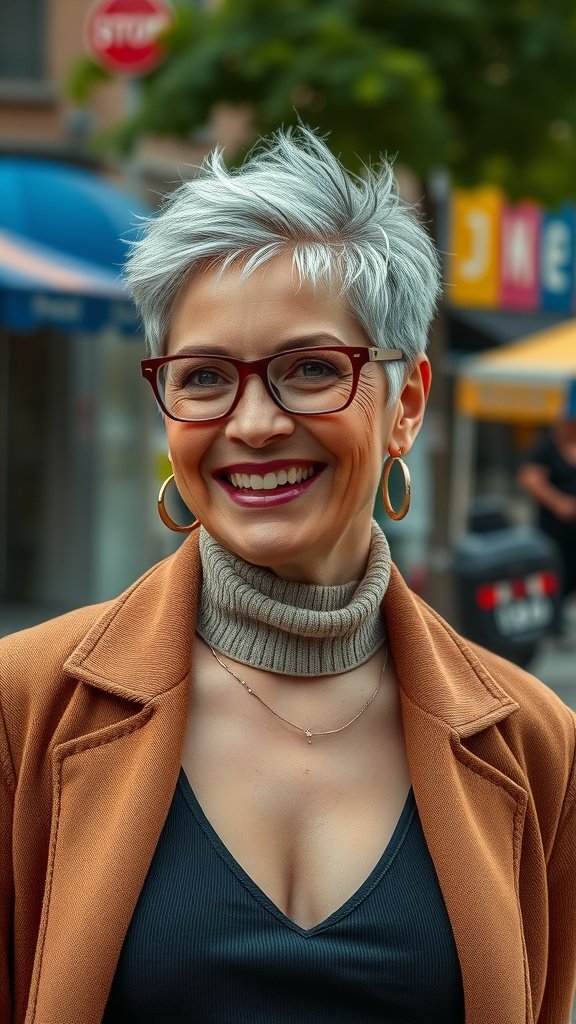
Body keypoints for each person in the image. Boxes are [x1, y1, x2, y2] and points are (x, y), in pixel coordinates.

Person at [1, 128, 575, 1024]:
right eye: (203, 377)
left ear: (406, 405)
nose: (256, 422)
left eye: (311, 369)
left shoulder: (540, 747)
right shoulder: (21, 709)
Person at [518, 415, 576, 638]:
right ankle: (552, 620)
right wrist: (559, 502)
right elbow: (530, 478)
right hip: (553, 531)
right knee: (554, 575)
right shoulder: (548, 446)